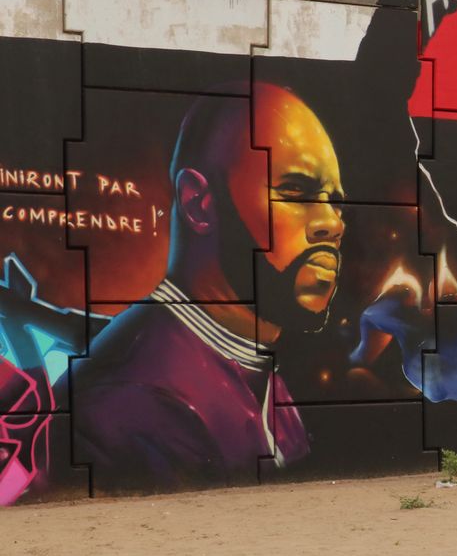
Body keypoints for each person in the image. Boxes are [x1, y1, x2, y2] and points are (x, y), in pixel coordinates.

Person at [68, 84, 345, 491]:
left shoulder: (247, 359)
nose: (333, 223)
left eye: (335, 202)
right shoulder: (137, 398)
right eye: (295, 192)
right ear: (198, 203)